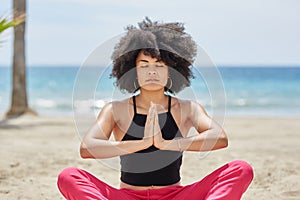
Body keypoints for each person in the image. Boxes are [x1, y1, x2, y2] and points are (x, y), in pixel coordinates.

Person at [57, 18, 253, 200]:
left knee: (240, 169)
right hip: (128, 196)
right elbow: (87, 148)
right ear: (132, 72)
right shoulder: (115, 110)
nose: (151, 71)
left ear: (171, 72)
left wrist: (167, 143)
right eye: (144, 66)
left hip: (176, 195)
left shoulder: (187, 108)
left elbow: (219, 138)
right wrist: (141, 143)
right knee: (69, 176)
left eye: (159, 65)